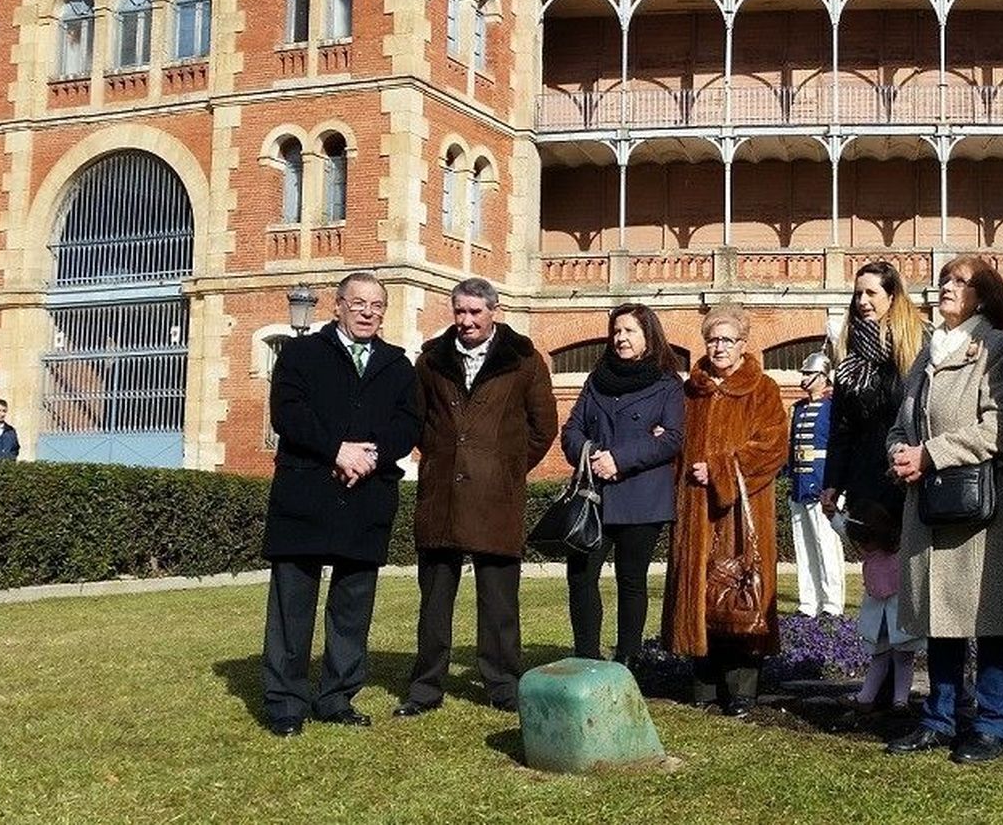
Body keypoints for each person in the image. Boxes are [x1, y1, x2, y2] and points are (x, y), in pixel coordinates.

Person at [885, 255, 1003, 764]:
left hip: (986, 508)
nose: (946, 287)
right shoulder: (926, 354)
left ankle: (994, 723)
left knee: (990, 616)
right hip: (931, 506)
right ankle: (940, 717)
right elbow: (900, 423)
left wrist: (929, 454)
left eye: (961, 282)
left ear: (985, 297)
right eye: (945, 280)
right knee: (940, 615)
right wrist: (899, 453)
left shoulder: (997, 350)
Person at [259, 272, 421, 738]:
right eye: (358, 303)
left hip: (365, 496)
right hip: (306, 491)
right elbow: (288, 413)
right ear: (338, 307)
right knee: (293, 604)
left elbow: (409, 424)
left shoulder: (398, 365)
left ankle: (336, 697)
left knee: (352, 605)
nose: (368, 312)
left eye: (377, 305)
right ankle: (286, 702)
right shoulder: (301, 354)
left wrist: (368, 455)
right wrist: (337, 450)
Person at [400, 277, 558, 715]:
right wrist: (436, 459)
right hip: (441, 496)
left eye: (475, 312)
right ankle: (425, 688)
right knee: (433, 602)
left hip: (497, 499)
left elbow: (543, 427)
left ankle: (504, 685)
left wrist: (506, 469)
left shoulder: (524, 360)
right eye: (460, 311)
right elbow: (417, 419)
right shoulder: (431, 360)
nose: (466, 321)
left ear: (495, 311)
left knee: (499, 602)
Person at [662, 303, 787, 717]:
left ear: (744, 344)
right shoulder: (690, 391)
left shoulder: (763, 389)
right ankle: (704, 685)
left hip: (743, 510)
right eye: (712, 339)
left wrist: (718, 469)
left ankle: (742, 690)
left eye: (727, 340)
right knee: (699, 592)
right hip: (696, 511)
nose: (719, 347)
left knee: (741, 590)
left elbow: (772, 448)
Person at [558, 303, 685, 666]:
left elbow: (672, 438)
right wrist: (593, 453)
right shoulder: (596, 379)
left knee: (632, 581)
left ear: (648, 336)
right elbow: (571, 430)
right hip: (593, 496)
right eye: (616, 331)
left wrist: (621, 459)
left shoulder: (667, 384)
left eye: (629, 331)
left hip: (641, 496)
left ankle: (628, 662)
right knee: (581, 578)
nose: (620, 338)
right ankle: (586, 657)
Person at [820, 261, 925, 525]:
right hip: (865, 480)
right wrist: (833, 482)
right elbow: (842, 428)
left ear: (891, 297)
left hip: (908, 473)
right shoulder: (849, 360)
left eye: (871, 293)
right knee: (877, 563)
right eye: (858, 294)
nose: (862, 301)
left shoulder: (920, 346)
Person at [844, 499, 921, 712]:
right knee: (885, 659)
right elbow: (845, 529)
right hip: (885, 622)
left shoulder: (897, 554)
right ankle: (870, 697)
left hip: (894, 619)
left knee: (900, 659)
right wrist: (833, 515)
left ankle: (898, 701)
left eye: (863, 542)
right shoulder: (886, 551)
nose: (860, 547)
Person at [784, 351, 844, 618]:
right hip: (799, 483)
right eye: (804, 373)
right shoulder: (797, 408)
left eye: (810, 374)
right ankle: (808, 603)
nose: (805, 378)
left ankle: (832, 604)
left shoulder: (833, 407)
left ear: (824, 377)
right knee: (804, 546)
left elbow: (837, 448)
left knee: (826, 545)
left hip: (822, 484)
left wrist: (833, 485)